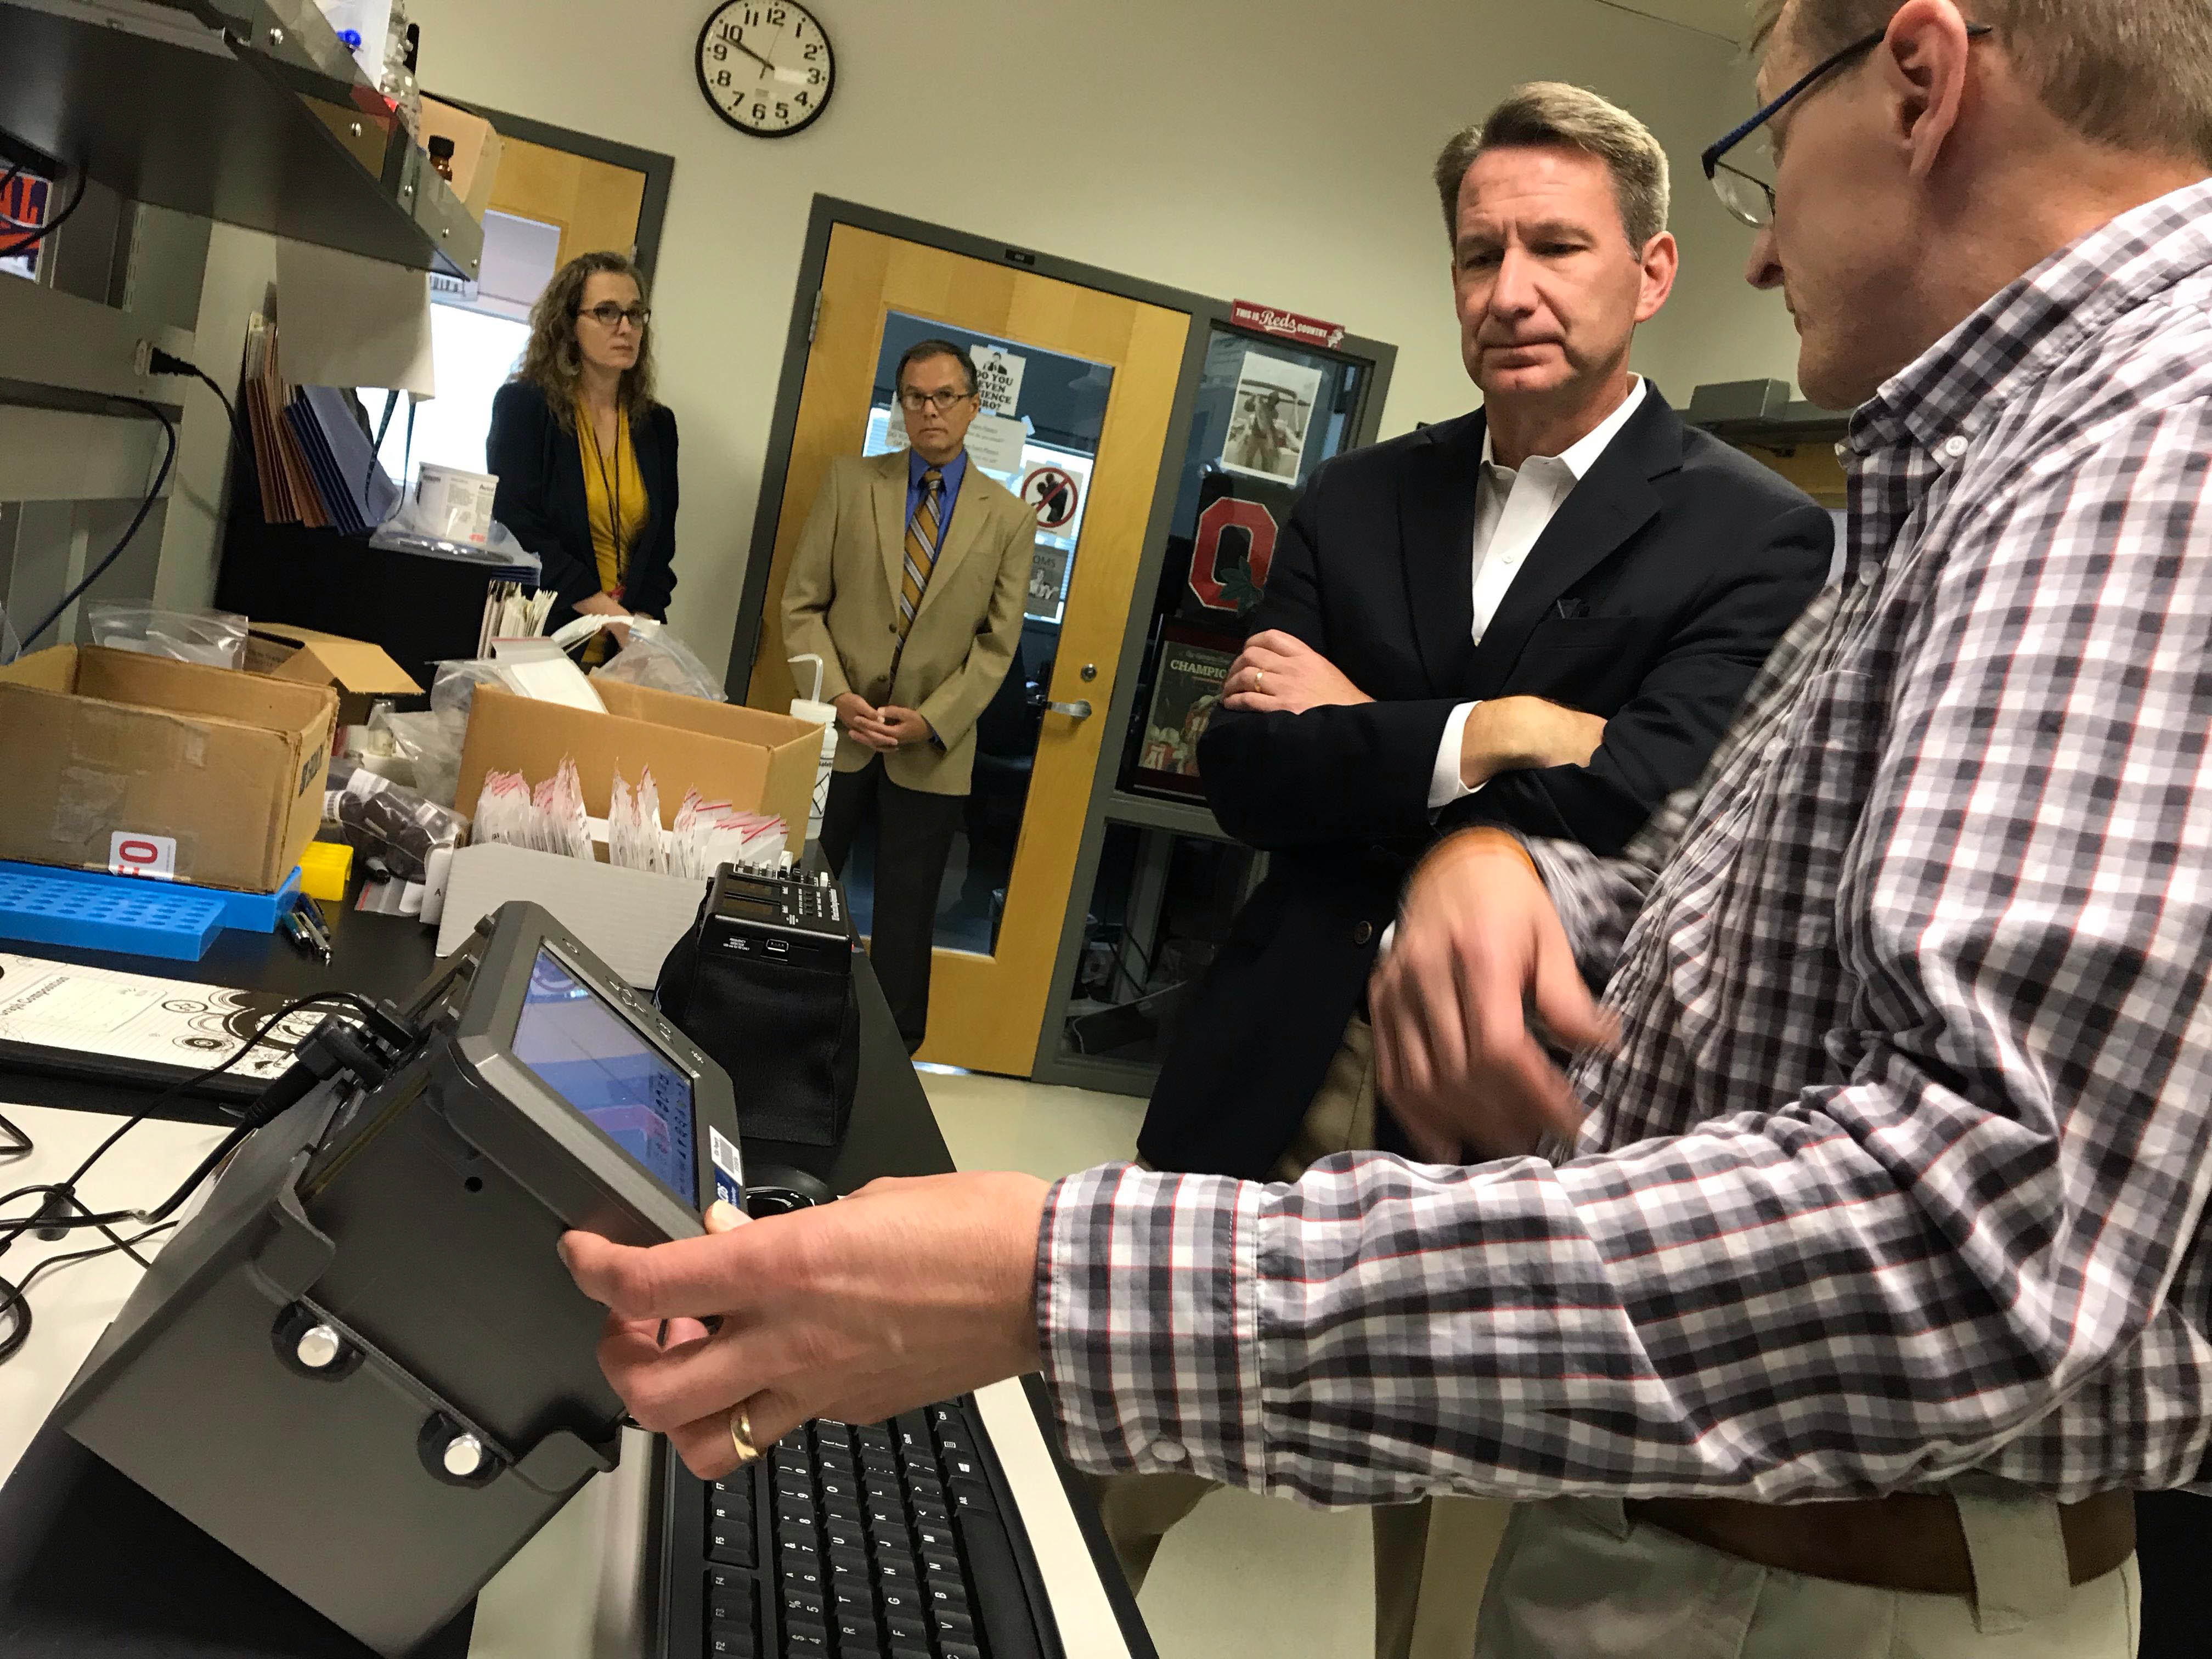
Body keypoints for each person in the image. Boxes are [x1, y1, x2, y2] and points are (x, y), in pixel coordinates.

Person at [565, 3, 2212, 1655]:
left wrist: (1045, 1274)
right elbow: (1323, 782)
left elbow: (1967, 1245)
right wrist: (1514, 847)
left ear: (1918, 85)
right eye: (1478, 249)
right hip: (1408, 1188)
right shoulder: (1964, 470)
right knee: (1056, 1535)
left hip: (1784, 1524)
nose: (1768, 253)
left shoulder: (2140, 463)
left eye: (1761, 161)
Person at [1117, 83, 1832, 1659]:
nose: (1511, 288)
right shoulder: (1364, 494)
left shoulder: (1758, 535)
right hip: (1277, 1058)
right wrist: (1500, 731)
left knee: (1451, 1598)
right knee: (1103, 1472)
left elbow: (1655, 801)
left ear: (1652, 273)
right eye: (1478, 251)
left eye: (1557, 247)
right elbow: (1240, 775)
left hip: (1510, 1108)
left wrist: (1371, 733)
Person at [780, 341, 1035, 1052]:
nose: (931, 411)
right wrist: (833, 694)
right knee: (800, 894)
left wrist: (934, 719)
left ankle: (887, 1060)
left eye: (946, 396)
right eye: (917, 397)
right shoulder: (849, 483)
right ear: (901, 406)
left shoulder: (1009, 520)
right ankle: (779, 1030)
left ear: (972, 407)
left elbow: (997, 644)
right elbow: (801, 605)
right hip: (838, 737)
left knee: (905, 918)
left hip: (932, 754)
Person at [488, 251, 679, 643]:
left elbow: (659, 551)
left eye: (635, 313)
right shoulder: (525, 406)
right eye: (607, 312)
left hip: (624, 647)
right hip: (543, 635)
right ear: (568, 323)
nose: (625, 327)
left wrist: (638, 633)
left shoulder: (657, 427)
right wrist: (609, 616)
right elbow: (518, 529)